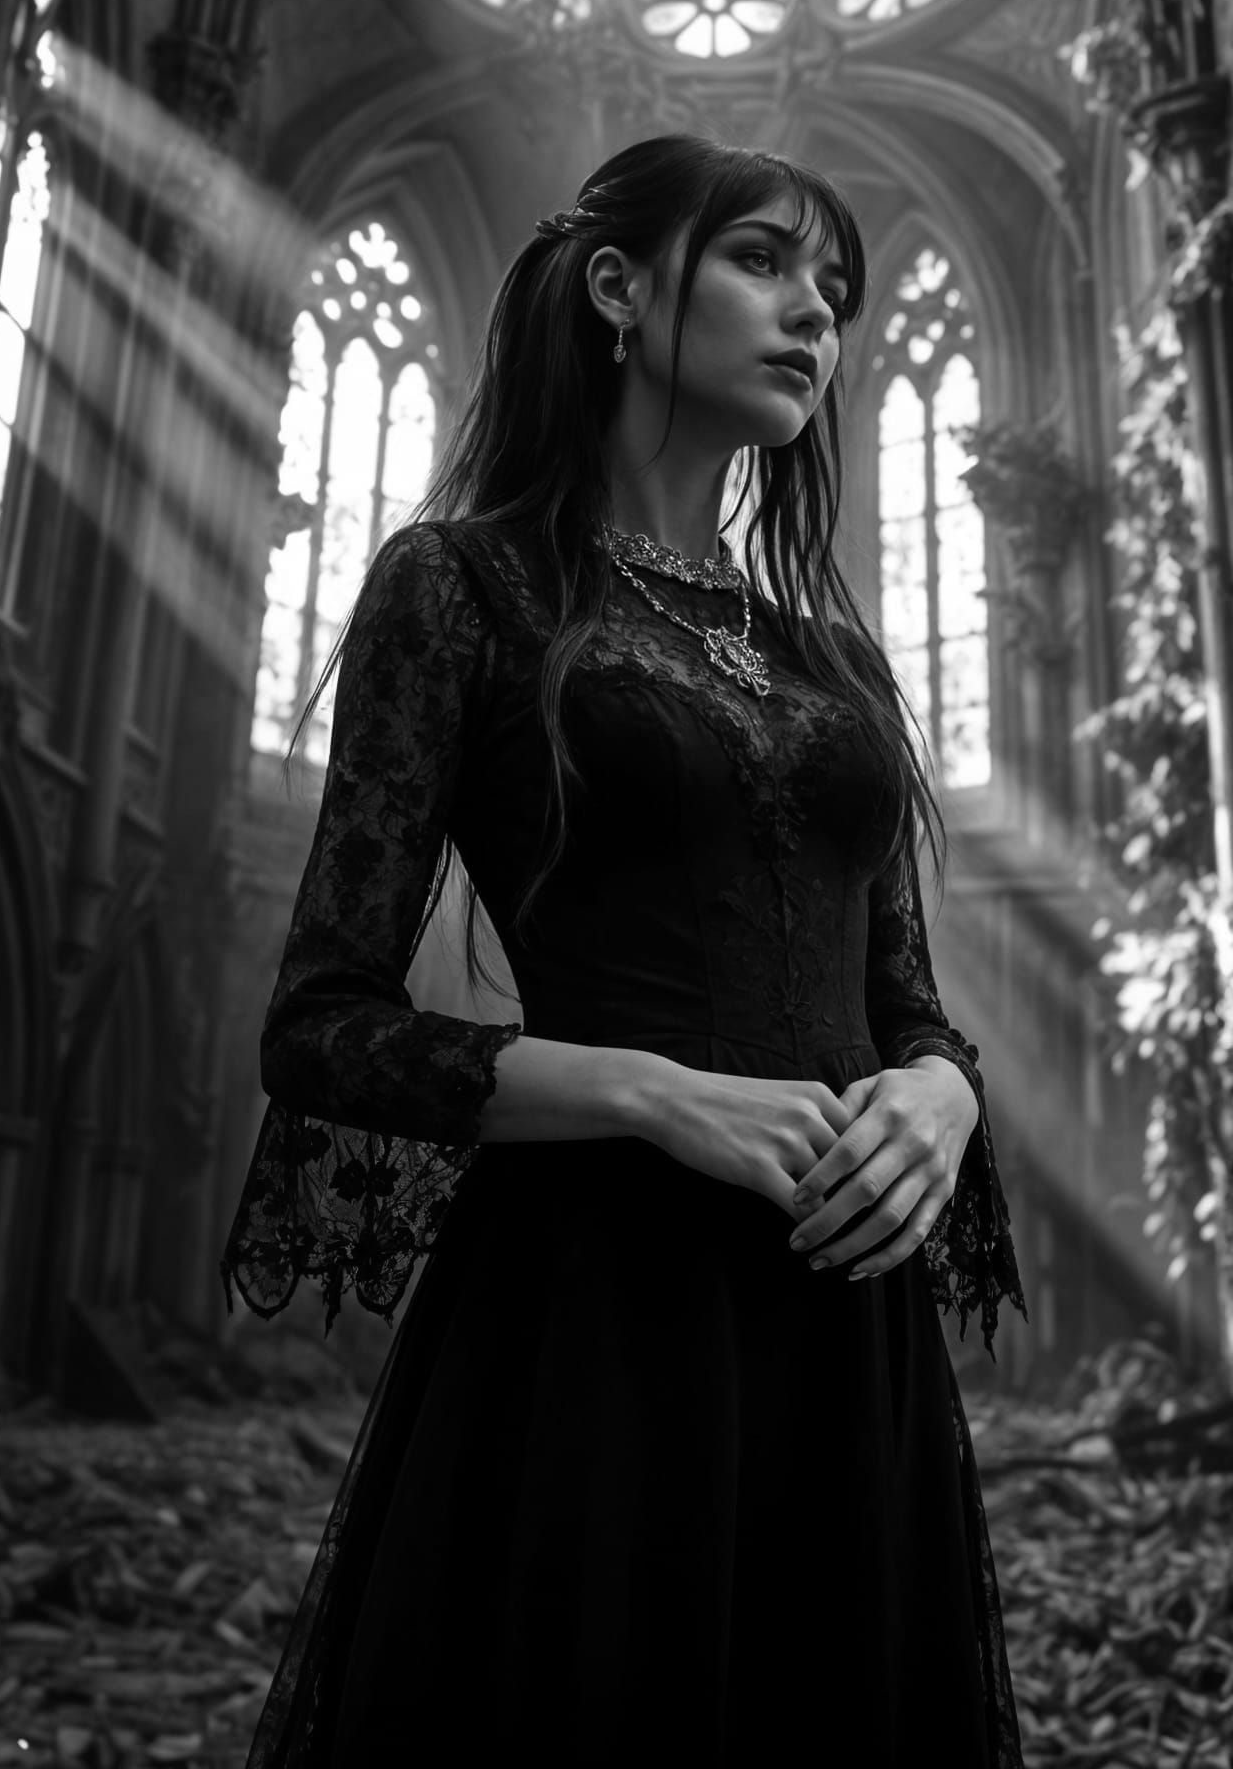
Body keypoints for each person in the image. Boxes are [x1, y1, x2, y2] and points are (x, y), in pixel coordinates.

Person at [222, 135, 1028, 1767]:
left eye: (839, 290)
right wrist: (655, 1095)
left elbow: (908, 1011)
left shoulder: (834, 654)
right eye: (766, 264)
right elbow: (319, 1028)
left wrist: (943, 1102)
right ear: (619, 285)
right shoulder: (459, 588)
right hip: (594, 1309)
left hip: (842, 1327)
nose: (817, 313)